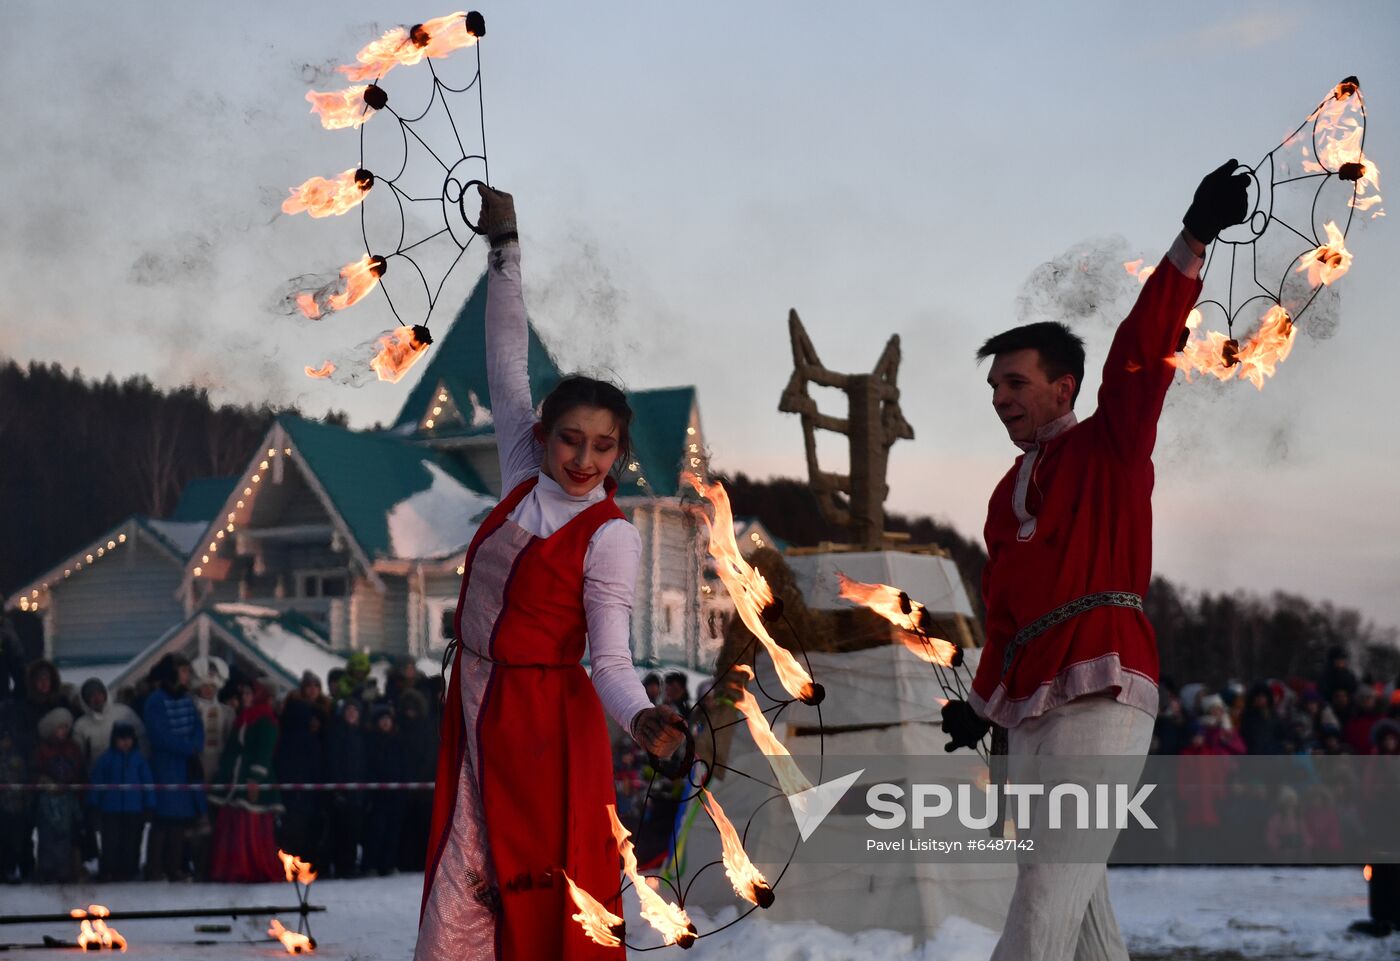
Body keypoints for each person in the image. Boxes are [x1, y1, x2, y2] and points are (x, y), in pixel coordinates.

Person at [940, 161, 1249, 961]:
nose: (1001, 398)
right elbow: (1005, 618)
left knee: (1044, 895)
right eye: (993, 387)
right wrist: (981, 704)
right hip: (1034, 706)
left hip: (1106, 685)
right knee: (1080, 916)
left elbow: (1140, 355)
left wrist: (1193, 239)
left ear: (1062, 384)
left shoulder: (1110, 445)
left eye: (1016, 382)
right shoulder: (1004, 495)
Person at [415, 185, 687, 961]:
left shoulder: (610, 537)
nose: (583, 459)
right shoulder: (519, 472)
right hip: (475, 700)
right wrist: (505, 248)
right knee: (460, 883)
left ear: (619, 453)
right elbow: (505, 360)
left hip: (541, 727)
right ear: (545, 434)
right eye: (571, 439)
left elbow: (609, 657)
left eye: (603, 447)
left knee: (527, 893)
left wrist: (638, 718)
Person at [209, 679, 284, 882]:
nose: (245, 698)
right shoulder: (244, 718)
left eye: (250, 694)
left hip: (252, 779)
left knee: (249, 827)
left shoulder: (265, 719)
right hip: (236, 777)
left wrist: (255, 778)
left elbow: (264, 752)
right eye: (244, 694)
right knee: (233, 824)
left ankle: (251, 866)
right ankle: (231, 867)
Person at [142, 653, 205, 881]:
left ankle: (175, 867)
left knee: (180, 822)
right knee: (162, 821)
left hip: (186, 767)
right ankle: (155, 868)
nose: (187, 675)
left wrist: (195, 745)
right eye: (184, 670)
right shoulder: (156, 701)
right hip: (166, 766)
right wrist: (186, 747)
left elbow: (198, 727)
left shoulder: (188, 699)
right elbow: (159, 736)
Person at [87, 722, 155, 881]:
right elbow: (97, 783)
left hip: (134, 809)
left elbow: (148, 784)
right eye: (121, 739)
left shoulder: (139, 760)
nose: (125, 742)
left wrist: (149, 805)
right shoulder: (106, 759)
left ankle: (129, 870)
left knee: (131, 841)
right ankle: (108, 870)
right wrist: (93, 804)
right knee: (110, 842)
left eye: (128, 739)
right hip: (110, 809)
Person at [31, 706, 85, 882]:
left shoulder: (73, 748)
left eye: (65, 727)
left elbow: (79, 770)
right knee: (47, 835)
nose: (63, 731)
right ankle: (46, 869)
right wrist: (45, 782)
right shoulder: (42, 749)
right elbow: (35, 771)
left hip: (67, 800)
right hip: (47, 800)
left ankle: (64, 869)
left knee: (65, 836)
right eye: (59, 727)